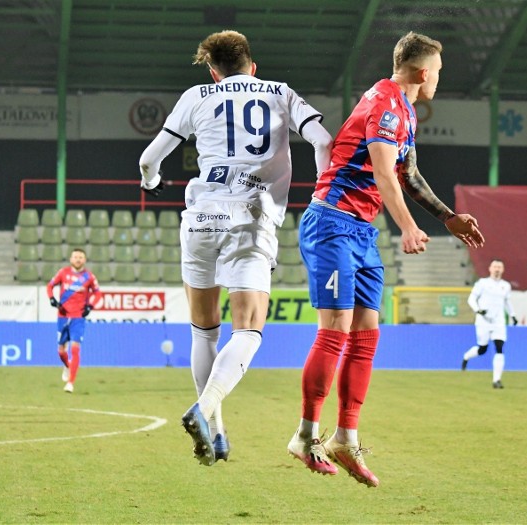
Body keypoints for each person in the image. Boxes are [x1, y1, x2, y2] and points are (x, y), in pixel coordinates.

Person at [286, 32, 485, 487]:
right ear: (422, 72)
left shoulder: (405, 110)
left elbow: (408, 172)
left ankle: (345, 438)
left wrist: (447, 217)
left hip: (360, 230)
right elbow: (381, 170)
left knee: (366, 334)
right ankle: (305, 435)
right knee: (334, 329)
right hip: (332, 221)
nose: (439, 77)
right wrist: (409, 227)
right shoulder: (384, 103)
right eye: (438, 70)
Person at [137, 30, 333, 466]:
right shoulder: (280, 93)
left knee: (203, 330)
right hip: (251, 219)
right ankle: (202, 412)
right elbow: (323, 141)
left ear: (213, 69)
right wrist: (323, 194)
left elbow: (149, 160)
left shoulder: (197, 95)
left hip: (201, 217)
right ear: (252, 65)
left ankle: (219, 433)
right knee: (247, 330)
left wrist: (152, 184)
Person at [46, 248, 102, 393]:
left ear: (85, 260)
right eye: (75, 257)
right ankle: (67, 366)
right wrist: (52, 298)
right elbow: (50, 285)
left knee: (75, 348)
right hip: (63, 316)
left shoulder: (89, 277)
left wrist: (90, 306)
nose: (78, 259)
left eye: (81, 257)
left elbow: (97, 293)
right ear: (71, 259)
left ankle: (71, 383)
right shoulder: (63, 273)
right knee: (61, 351)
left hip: (78, 317)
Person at [461, 258, 517, 389]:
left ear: (502, 270)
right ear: (490, 269)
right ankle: (466, 357)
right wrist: (478, 310)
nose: (497, 269)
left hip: (498, 321)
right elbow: (471, 299)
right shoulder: (482, 283)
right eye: (495, 267)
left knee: (499, 348)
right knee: (482, 349)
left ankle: (496, 380)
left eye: (499, 267)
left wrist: (513, 315)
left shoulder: (506, 286)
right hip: (483, 321)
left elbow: (507, 302)